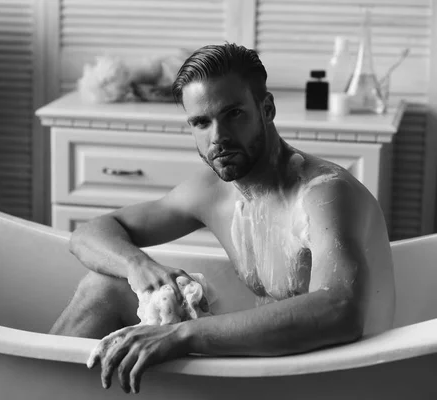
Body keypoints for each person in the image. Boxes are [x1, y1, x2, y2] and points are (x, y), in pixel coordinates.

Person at [49, 43, 396, 394]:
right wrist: (138, 265)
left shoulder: (322, 193)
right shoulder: (213, 193)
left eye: (233, 114)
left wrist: (182, 334)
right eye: (201, 122)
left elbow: (340, 310)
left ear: (267, 108)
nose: (218, 137)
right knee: (103, 286)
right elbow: (88, 236)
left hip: (339, 380)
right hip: (270, 368)